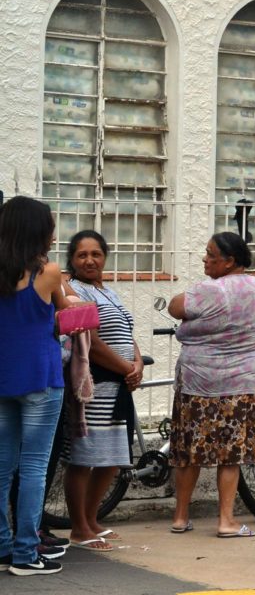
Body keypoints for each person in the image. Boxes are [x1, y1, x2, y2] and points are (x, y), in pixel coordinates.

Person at [167, 232, 255, 539]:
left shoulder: (209, 290)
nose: (205, 259)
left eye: (211, 255)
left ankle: (180, 517)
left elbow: (175, 309)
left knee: (188, 451)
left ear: (229, 262)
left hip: (199, 382)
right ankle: (226, 520)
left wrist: (188, 330)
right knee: (231, 454)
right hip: (242, 383)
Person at [0, 196, 73, 575]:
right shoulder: (48, 271)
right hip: (41, 378)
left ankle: (2, 547)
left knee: (1, 466)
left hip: (3, 376)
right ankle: (27, 553)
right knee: (33, 467)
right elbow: (67, 309)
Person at [64, 231, 144, 551]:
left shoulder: (107, 291)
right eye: (82, 255)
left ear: (105, 257)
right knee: (84, 458)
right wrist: (127, 369)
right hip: (95, 384)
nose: (89, 260)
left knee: (111, 459)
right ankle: (79, 528)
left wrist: (136, 362)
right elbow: (91, 343)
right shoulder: (73, 290)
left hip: (119, 385)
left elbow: (125, 330)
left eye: (96, 254)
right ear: (72, 259)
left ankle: (92, 518)